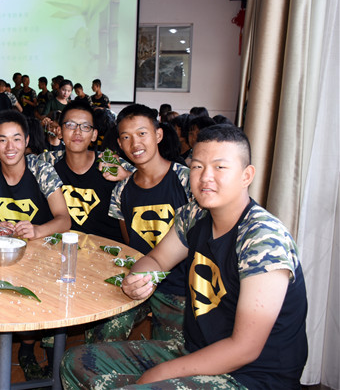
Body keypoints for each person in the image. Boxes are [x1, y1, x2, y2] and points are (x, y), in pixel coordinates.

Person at [61, 125, 308, 389]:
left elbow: (244, 349)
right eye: (198, 167)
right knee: (78, 362)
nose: (206, 177)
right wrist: (140, 278)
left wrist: (157, 375)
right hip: (196, 349)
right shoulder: (195, 215)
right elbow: (158, 260)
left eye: (220, 167)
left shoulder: (262, 239)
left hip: (252, 376)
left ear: (246, 175)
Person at [0, 110, 70, 380]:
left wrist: (37, 230)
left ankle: (29, 349)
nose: (10, 146)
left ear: (27, 140)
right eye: (2, 139)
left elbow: (64, 219)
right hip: (1, 252)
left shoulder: (41, 169)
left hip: (41, 254)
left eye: (16, 139)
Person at [90, 104, 192, 345]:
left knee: (172, 355)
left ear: (158, 135)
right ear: (119, 143)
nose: (135, 143)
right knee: (101, 332)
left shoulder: (186, 180)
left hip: (179, 288)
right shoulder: (121, 190)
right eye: (126, 137)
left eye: (142, 133)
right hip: (137, 279)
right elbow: (130, 242)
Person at [39, 101, 125, 241]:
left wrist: (127, 175)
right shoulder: (47, 162)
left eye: (85, 126)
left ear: (94, 135)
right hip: (60, 246)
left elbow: (148, 181)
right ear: (59, 131)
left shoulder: (109, 161)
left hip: (106, 248)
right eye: (70, 125)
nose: (77, 132)